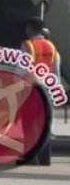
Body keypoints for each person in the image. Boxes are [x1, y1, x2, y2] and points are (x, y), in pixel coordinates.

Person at [20, 17, 61, 166]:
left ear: (30, 28)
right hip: (47, 89)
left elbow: (22, 69)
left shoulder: (27, 45)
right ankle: (45, 158)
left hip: (31, 88)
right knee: (45, 124)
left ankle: (31, 158)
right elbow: (55, 72)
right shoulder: (51, 46)